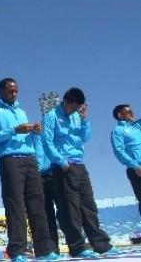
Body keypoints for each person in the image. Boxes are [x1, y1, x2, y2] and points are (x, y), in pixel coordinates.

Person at [0, 78, 59, 262]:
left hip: (30, 159)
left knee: (37, 205)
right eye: (10, 90)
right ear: (0, 90)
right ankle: (17, 251)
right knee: (15, 205)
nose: (14, 94)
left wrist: (35, 133)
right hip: (10, 159)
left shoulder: (21, 111)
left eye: (16, 91)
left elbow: (30, 140)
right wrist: (13, 130)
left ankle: (44, 249)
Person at [41, 87, 118, 258]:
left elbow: (85, 138)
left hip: (80, 164)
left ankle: (100, 244)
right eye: (74, 107)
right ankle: (77, 247)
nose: (75, 111)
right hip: (64, 166)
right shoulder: (51, 116)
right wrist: (61, 162)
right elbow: (47, 142)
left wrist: (85, 121)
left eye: (78, 109)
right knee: (70, 208)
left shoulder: (77, 116)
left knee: (88, 205)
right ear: (66, 101)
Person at [110, 104, 141, 216]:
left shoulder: (137, 127)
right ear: (120, 115)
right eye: (129, 111)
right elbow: (119, 151)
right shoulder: (118, 131)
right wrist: (135, 166)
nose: (132, 113)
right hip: (137, 170)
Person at [34, 133, 60, 254]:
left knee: (65, 210)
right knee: (46, 214)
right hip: (38, 176)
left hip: (55, 172)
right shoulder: (31, 135)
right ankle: (52, 249)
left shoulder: (53, 133)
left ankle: (75, 243)